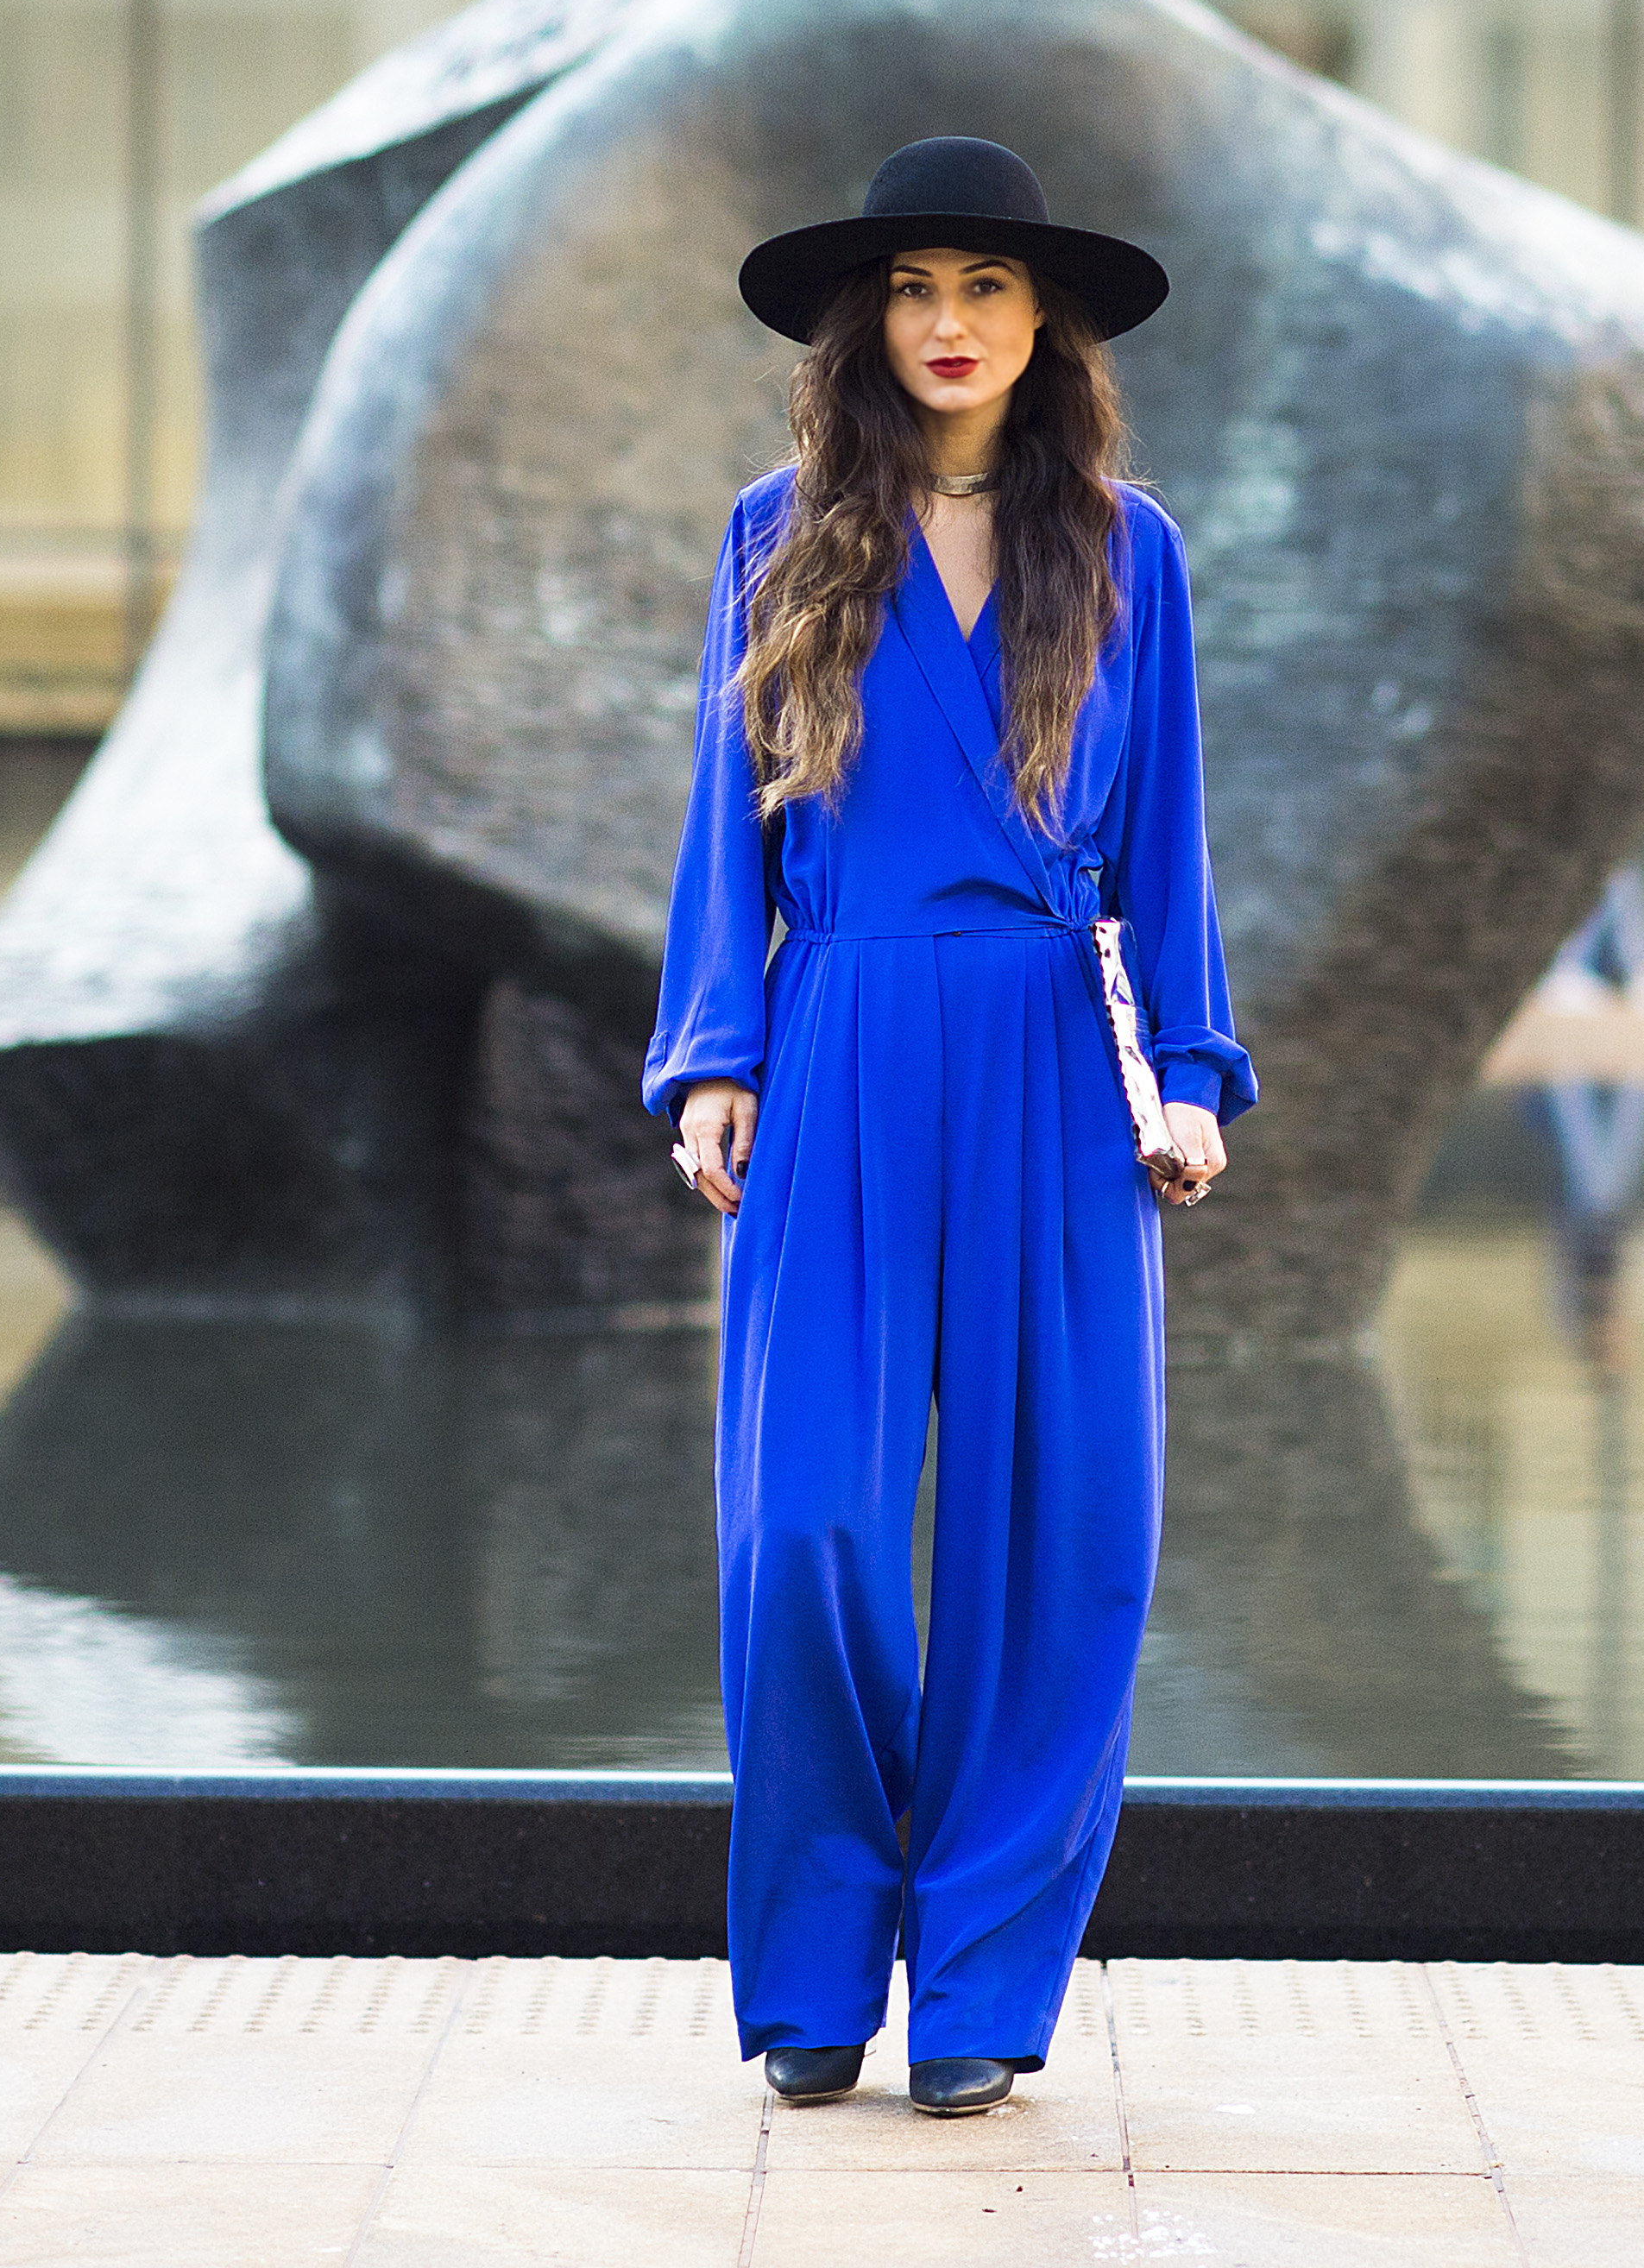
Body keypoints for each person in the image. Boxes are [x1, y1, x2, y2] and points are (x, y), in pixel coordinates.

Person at [645, 135, 1253, 2120]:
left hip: (1053, 1053)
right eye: (913, 288)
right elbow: (717, 819)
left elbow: (1162, 840)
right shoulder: (774, 528)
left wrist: (1190, 1072)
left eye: (986, 286)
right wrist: (714, 1045)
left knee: (1061, 1532)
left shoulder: (1127, 546)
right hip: (834, 1023)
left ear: (1041, 320)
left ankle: (985, 1969)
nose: (948, 323)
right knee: (802, 1516)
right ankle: (817, 1954)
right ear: (864, 321)